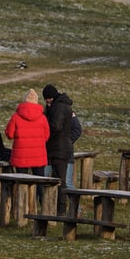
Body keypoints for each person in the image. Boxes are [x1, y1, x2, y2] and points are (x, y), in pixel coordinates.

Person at [43, 83, 76, 213]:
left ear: (50, 97)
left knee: (59, 180)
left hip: (58, 148)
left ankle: (61, 209)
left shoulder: (58, 108)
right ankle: (58, 207)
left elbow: (55, 126)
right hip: (61, 148)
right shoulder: (64, 106)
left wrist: (45, 133)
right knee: (58, 179)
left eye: (46, 99)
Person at [5, 88, 50, 176]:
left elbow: (9, 134)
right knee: (39, 183)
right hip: (38, 155)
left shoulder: (16, 117)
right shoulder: (43, 118)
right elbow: (47, 136)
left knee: (21, 183)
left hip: (21, 156)